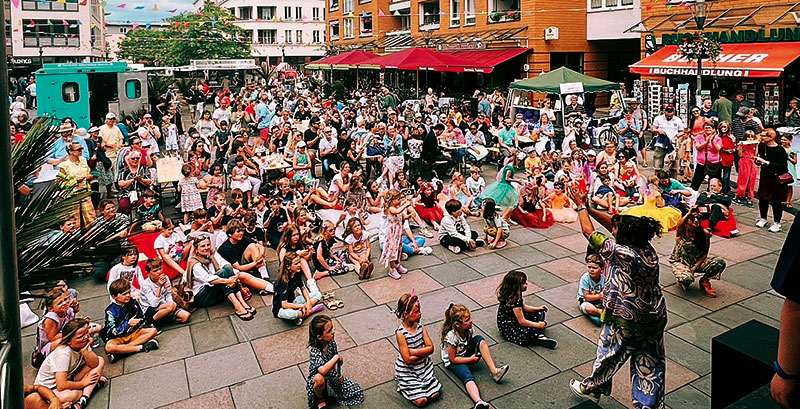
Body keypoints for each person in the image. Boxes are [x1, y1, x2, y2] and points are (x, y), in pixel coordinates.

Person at [567, 186, 666, 408]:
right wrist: (591, 209)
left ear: (623, 235)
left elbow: (590, 234)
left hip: (627, 317)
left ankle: (592, 386)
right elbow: (615, 223)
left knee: (610, 351)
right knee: (649, 363)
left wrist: (581, 206)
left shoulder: (623, 254)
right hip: (653, 317)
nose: (613, 227)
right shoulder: (646, 248)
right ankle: (647, 404)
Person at [441, 304, 509, 409]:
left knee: (480, 339)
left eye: (470, 318)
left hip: (463, 351)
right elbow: (453, 359)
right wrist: (470, 359)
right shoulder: (451, 336)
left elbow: (468, 343)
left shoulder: (469, 330)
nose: (471, 321)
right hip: (454, 361)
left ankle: (494, 371)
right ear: (457, 324)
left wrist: (473, 353)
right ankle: (478, 401)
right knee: (467, 375)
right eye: (467, 320)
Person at [33, 319, 106, 409]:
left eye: (87, 332)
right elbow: (61, 385)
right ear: (69, 341)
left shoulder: (83, 344)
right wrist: (83, 383)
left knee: (100, 360)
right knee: (73, 394)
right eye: (81, 336)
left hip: (69, 378)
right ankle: (87, 390)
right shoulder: (63, 354)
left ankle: (83, 398)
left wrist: (86, 353)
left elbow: (94, 364)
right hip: (49, 391)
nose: (87, 337)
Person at [185, 235, 255, 320]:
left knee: (227, 268)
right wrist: (227, 281)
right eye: (203, 246)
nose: (206, 248)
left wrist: (235, 276)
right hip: (202, 296)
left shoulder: (212, 253)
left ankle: (242, 302)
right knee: (221, 274)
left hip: (216, 287)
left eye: (208, 245)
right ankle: (237, 306)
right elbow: (208, 279)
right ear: (196, 249)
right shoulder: (194, 263)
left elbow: (224, 263)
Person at [394, 292, 442, 407]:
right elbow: (408, 360)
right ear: (406, 314)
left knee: (435, 395)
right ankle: (404, 388)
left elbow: (431, 348)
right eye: (416, 311)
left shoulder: (421, 327)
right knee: (422, 401)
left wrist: (414, 351)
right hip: (408, 370)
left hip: (423, 367)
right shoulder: (401, 333)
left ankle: (423, 387)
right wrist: (423, 352)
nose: (420, 313)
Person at [306, 315, 364, 409]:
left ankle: (330, 392)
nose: (333, 332)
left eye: (332, 328)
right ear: (320, 337)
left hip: (330, 375)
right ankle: (319, 400)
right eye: (329, 331)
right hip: (318, 377)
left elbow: (333, 365)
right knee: (319, 379)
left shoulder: (331, 343)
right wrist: (336, 357)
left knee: (355, 392)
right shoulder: (314, 350)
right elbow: (323, 370)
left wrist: (338, 375)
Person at [670, 210, 726, 297]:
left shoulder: (704, 234)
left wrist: (694, 267)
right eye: (692, 219)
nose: (696, 220)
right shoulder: (682, 232)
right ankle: (682, 279)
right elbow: (679, 224)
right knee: (686, 279)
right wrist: (689, 213)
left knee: (719, 262)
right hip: (681, 262)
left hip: (697, 262)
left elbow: (704, 254)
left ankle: (704, 281)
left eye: (698, 218)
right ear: (687, 221)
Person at [102, 279, 160, 363]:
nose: (128, 295)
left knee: (153, 331)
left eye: (129, 292)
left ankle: (123, 351)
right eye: (124, 294)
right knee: (109, 347)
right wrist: (127, 324)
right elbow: (112, 331)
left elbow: (141, 317)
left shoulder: (133, 302)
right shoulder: (110, 311)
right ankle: (140, 348)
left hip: (134, 333)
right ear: (114, 296)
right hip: (119, 338)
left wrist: (136, 323)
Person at [496, 270, 557, 348]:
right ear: (517, 286)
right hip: (510, 327)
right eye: (524, 283)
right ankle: (538, 337)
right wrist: (538, 325)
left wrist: (537, 309)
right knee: (529, 331)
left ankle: (537, 331)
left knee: (538, 313)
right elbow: (522, 322)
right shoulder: (514, 301)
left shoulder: (514, 295)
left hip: (513, 319)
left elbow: (523, 307)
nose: (526, 284)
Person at [273, 252, 324, 325]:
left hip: (293, 301)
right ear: (288, 266)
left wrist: (308, 302)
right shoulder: (283, 282)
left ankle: (303, 313)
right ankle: (308, 312)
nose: (299, 265)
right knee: (293, 314)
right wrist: (303, 306)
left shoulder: (296, 274)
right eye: (296, 264)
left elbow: (303, 288)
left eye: (299, 262)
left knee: (318, 294)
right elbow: (284, 304)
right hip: (281, 309)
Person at [755, 129, 790, 233]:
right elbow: (759, 160)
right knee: (762, 198)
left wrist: (767, 162)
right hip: (765, 176)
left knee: (776, 201)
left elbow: (783, 167)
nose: (761, 138)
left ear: (771, 138)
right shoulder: (762, 146)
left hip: (776, 178)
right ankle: (763, 218)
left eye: (764, 136)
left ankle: (777, 222)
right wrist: (758, 161)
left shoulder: (780, 150)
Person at [139, 258, 191, 326]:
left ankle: (163, 320)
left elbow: (168, 293)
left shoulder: (165, 278)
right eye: (155, 271)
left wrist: (170, 305)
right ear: (148, 274)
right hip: (151, 309)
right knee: (172, 305)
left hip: (165, 305)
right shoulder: (146, 285)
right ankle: (152, 320)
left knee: (186, 316)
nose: (159, 272)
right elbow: (153, 304)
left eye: (160, 269)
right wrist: (160, 287)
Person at [380, 189, 414, 279]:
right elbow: (397, 211)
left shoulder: (397, 208)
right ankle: (392, 269)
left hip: (398, 232)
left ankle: (397, 264)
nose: (399, 201)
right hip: (392, 233)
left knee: (399, 249)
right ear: (391, 200)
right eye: (397, 199)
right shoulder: (390, 208)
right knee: (392, 250)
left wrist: (409, 215)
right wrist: (405, 205)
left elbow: (404, 217)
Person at [650, 105, 684, 171]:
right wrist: (658, 130)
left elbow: (682, 131)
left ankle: (673, 179)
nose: (669, 117)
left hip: (673, 143)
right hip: (660, 143)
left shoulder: (678, 120)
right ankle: (657, 178)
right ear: (664, 112)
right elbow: (653, 129)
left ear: (673, 113)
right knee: (658, 163)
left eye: (670, 116)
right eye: (667, 116)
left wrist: (677, 135)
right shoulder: (658, 118)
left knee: (674, 165)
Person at [691, 122, 723, 191]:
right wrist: (706, 142)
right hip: (701, 163)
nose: (708, 129)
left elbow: (717, 150)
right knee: (695, 183)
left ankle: (711, 196)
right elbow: (698, 147)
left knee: (714, 183)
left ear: (713, 129)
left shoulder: (718, 138)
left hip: (713, 163)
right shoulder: (699, 137)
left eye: (709, 128)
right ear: (703, 129)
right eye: (706, 128)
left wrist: (713, 141)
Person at [578, 254, 605, 325]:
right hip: (586, 301)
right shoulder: (585, 278)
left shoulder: (604, 278)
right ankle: (601, 314)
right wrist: (599, 296)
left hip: (600, 301)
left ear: (602, 270)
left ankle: (598, 314)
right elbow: (586, 297)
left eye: (595, 268)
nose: (591, 270)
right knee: (590, 309)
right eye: (589, 267)